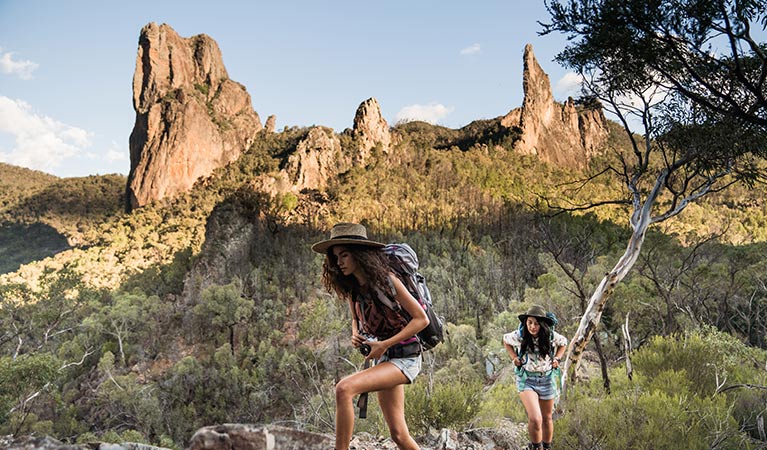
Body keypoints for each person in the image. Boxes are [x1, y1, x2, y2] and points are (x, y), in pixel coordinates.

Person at [312, 222, 429, 450]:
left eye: (344, 255)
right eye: (336, 257)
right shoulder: (353, 287)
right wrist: (356, 334)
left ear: (359, 255)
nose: (339, 262)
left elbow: (421, 319)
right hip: (384, 359)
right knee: (398, 435)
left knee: (344, 389)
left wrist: (385, 344)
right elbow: (356, 319)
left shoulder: (387, 281)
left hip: (406, 357)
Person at [503, 305, 568, 450]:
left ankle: (547, 446)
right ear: (525, 322)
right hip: (527, 380)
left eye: (536, 323)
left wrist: (557, 358)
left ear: (542, 324)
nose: (532, 327)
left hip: (546, 379)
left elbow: (563, 343)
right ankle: (536, 447)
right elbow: (506, 341)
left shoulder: (550, 336)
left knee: (547, 418)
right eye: (530, 322)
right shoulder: (520, 335)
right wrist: (514, 357)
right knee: (535, 418)